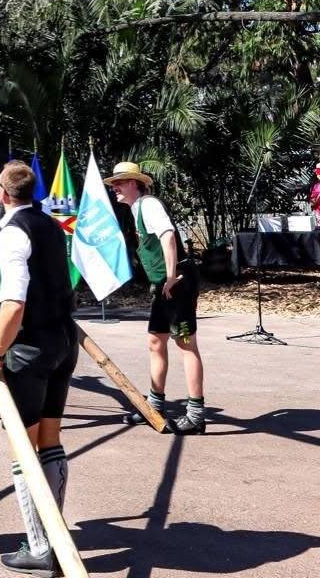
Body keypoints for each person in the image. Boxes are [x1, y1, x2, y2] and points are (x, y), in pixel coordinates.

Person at [0, 161, 78, 574]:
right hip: (63, 341)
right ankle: (52, 535)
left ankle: (39, 544)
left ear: (3, 193)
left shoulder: (14, 232)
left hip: (30, 348)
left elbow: (13, 302)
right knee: (49, 438)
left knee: (24, 447)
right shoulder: (51, 224)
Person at [105, 161, 205, 434]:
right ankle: (154, 406)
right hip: (163, 284)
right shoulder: (136, 209)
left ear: (136, 183)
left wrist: (171, 276)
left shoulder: (148, 205)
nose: (115, 187)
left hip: (177, 282)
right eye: (114, 183)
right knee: (155, 341)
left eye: (121, 182)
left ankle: (196, 415)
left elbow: (168, 236)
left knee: (185, 343)